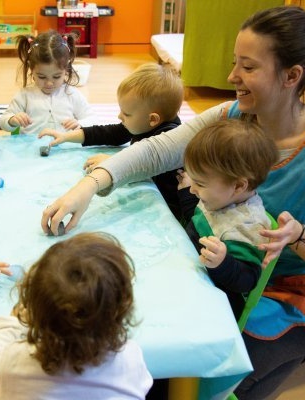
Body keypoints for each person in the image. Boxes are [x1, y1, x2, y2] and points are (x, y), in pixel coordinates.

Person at [41, 6, 305, 399]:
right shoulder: (233, 115)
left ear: (292, 76)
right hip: (212, 273)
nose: (232, 77)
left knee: (200, 378)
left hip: (277, 295)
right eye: (235, 63)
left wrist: (299, 238)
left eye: (248, 67)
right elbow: (158, 150)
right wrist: (90, 185)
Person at [0, 232, 153, 400]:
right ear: (120, 310)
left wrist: (12, 323)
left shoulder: (16, 364)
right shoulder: (128, 358)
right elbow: (142, 385)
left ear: (32, 313)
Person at [39, 62, 184, 216]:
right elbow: (109, 133)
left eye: (126, 114)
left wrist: (112, 162)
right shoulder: (143, 124)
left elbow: (147, 169)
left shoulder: (169, 140)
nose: (119, 116)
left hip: (168, 209)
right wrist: (66, 136)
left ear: (153, 119)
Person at [176, 119, 279, 319]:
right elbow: (198, 219)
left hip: (216, 304)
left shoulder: (247, 227)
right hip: (191, 269)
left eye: (200, 183)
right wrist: (188, 195)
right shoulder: (219, 197)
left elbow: (247, 280)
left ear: (239, 186)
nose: (193, 188)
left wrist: (223, 263)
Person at [0, 30, 95, 136]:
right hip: (30, 148)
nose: (49, 83)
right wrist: (12, 120)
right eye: (42, 77)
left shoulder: (71, 94)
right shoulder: (25, 95)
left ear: (66, 70)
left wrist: (79, 124)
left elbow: (92, 118)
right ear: (32, 70)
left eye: (56, 76)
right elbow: (3, 121)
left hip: (65, 147)